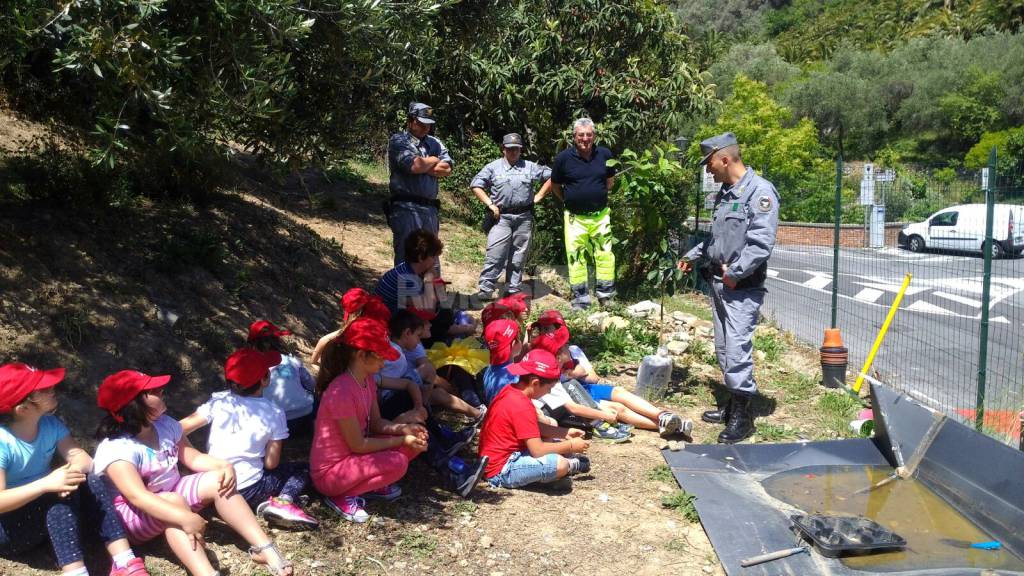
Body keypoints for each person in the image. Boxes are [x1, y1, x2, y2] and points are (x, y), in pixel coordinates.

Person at [93, 370, 293, 576]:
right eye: (153, 391)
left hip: (171, 494)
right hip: (132, 516)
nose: (162, 392)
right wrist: (184, 517)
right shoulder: (117, 448)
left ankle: (264, 547)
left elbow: (193, 457)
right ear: (133, 405)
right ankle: (205, 572)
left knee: (218, 480)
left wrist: (222, 466)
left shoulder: (165, 425)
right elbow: (137, 497)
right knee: (174, 501)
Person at [678, 132, 780, 444]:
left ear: (725, 158)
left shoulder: (760, 193)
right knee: (724, 348)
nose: (707, 170)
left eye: (709, 163)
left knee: (737, 350)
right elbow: (717, 239)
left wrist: (735, 273)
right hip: (720, 283)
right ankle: (731, 405)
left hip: (741, 286)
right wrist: (693, 255)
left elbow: (761, 243)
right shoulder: (726, 193)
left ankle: (744, 416)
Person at [0, 363, 150, 576]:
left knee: (85, 479)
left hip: (41, 512)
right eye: (43, 390)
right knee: (56, 494)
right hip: (9, 532)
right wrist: (45, 485)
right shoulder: (3, 442)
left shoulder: (50, 424)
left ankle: (125, 561)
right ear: (23, 409)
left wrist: (67, 475)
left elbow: (83, 459)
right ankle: (75, 572)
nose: (53, 389)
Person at [179, 349, 318, 530]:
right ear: (265, 379)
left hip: (214, 482)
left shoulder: (218, 401)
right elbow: (271, 463)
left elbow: (180, 428)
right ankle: (284, 501)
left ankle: (264, 504)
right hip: (250, 488)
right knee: (304, 469)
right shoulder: (274, 412)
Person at [310, 315, 428, 523]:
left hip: (353, 459)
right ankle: (341, 495)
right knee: (399, 461)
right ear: (362, 356)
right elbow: (358, 445)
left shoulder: (367, 381)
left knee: (414, 444)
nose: (384, 363)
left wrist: (405, 429)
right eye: (380, 357)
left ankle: (369, 484)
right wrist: (401, 440)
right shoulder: (341, 391)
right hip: (331, 473)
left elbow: (376, 423)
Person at [530, 310, 692, 438]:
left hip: (587, 387)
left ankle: (662, 415)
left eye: (548, 328)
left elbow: (594, 378)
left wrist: (574, 372)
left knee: (620, 392)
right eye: (542, 328)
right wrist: (571, 373)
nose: (545, 332)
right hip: (572, 394)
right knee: (618, 408)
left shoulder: (573, 350)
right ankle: (672, 426)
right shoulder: (542, 356)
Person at [478, 349, 591, 490]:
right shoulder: (522, 405)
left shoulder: (511, 391)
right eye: (549, 388)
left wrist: (564, 433)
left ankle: (555, 472)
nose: (549, 392)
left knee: (556, 441)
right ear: (535, 383)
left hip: (509, 454)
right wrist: (571, 446)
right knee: (559, 463)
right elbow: (537, 450)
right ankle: (569, 466)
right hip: (502, 469)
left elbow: (532, 428)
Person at [470, 133, 552, 300]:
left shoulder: (529, 167)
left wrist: (540, 195)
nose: (513, 152)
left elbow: (553, 176)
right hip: (501, 217)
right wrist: (489, 204)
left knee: (518, 255)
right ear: (503, 149)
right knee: (495, 253)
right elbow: (476, 185)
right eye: (510, 149)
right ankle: (486, 288)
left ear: (521, 150)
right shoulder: (493, 167)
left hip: (524, 217)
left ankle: (513, 288)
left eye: (516, 149)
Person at [550, 117, 617, 309]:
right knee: (575, 256)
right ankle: (580, 299)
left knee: (605, 255)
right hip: (574, 218)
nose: (585, 139)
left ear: (594, 136)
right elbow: (555, 186)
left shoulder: (604, 154)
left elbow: (610, 182)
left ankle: (606, 297)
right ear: (574, 137)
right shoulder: (563, 158)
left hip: (600, 215)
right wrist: (569, 199)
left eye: (589, 135)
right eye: (581, 135)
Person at [386, 102, 453, 266]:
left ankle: (427, 292)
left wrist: (424, 164)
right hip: (406, 208)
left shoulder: (435, 143)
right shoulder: (399, 141)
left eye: (429, 124)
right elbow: (414, 166)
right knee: (407, 259)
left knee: (430, 259)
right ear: (410, 121)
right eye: (421, 123)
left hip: (430, 210)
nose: (425, 128)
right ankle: (406, 292)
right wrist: (434, 159)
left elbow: (447, 169)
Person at [245, 320, 316, 436]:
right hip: (303, 413)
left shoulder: (251, 364)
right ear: (277, 340)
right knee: (316, 399)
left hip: (273, 420)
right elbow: (311, 384)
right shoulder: (292, 360)